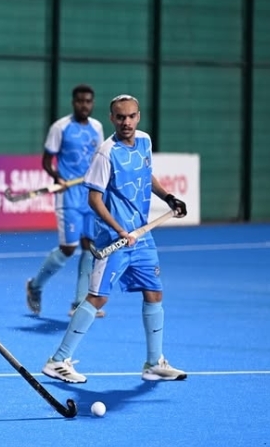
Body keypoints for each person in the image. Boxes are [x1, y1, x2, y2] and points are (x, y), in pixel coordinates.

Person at [41, 94, 188, 385]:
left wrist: (169, 197)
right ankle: (58, 361)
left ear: (139, 116)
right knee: (97, 297)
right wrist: (119, 229)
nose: (126, 122)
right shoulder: (105, 153)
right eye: (120, 117)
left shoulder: (144, 141)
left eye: (131, 116)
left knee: (154, 293)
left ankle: (154, 363)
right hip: (115, 239)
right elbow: (94, 199)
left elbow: (148, 176)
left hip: (142, 237)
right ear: (112, 119)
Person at [25, 84, 105, 318]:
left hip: (90, 194)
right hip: (68, 195)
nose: (84, 105)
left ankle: (80, 301)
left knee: (90, 247)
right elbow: (47, 160)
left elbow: (100, 158)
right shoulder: (60, 128)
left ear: (92, 103)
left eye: (88, 101)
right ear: (73, 102)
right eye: (80, 101)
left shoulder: (97, 127)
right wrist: (56, 176)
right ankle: (35, 286)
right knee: (68, 248)